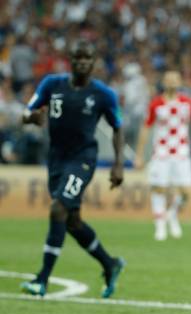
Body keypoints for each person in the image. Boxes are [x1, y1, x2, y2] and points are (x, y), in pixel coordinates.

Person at [20, 40, 125, 298]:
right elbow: (26, 113)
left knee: (58, 209)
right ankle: (109, 264)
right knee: (72, 221)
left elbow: (118, 127)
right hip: (56, 159)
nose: (82, 62)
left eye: (87, 58)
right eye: (77, 57)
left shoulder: (104, 94)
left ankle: (41, 280)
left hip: (83, 159)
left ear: (94, 63)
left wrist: (119, 164)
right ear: (70, 60)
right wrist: (32, 117)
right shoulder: (51, 84)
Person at [134, 71, 191, 241]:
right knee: (159, 188)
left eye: (175, 79)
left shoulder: (187, 102)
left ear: (180, 82)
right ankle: (160, 225)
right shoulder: (156, 104)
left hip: (182, 152)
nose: (172, 82)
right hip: (161, 152)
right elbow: (145, 128)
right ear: (164, 82)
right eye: (169, 79)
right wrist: (139, 154)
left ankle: (172, 214)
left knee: (185, 192)